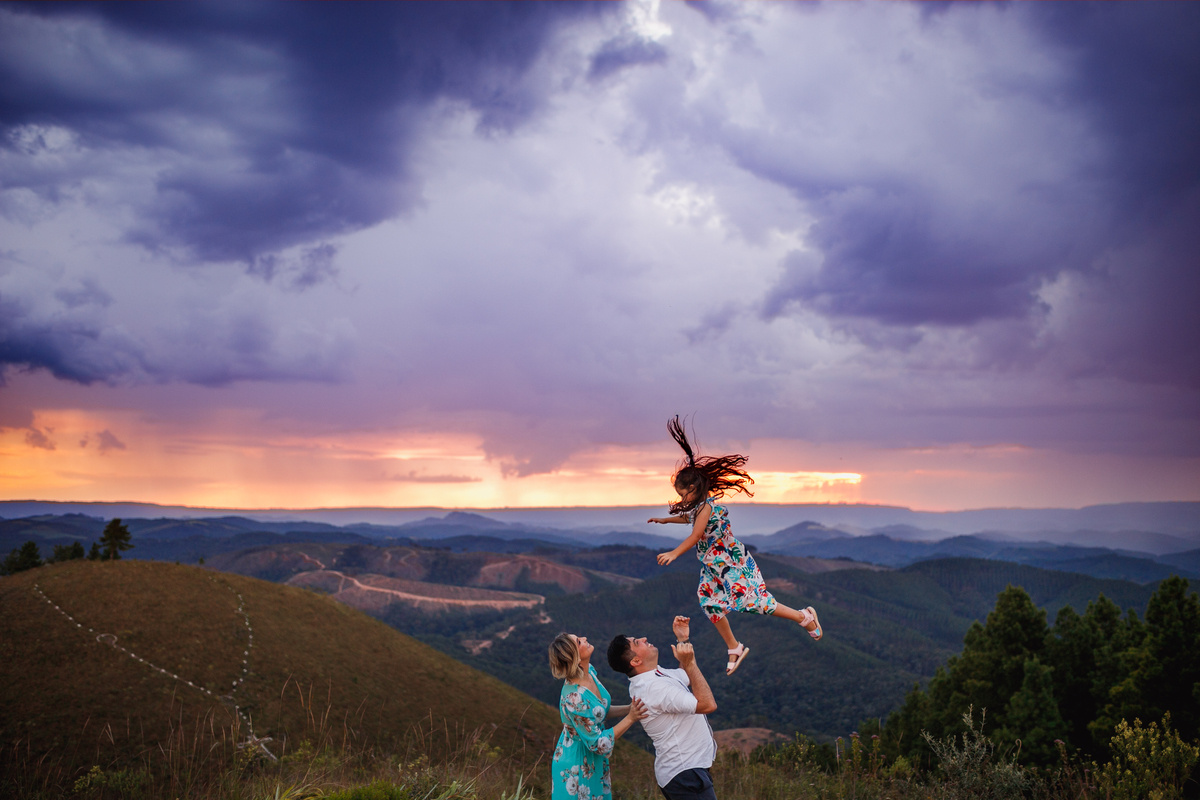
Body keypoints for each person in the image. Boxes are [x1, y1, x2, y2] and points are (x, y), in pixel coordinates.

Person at [649, 416, 822, 675]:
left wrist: (674, 552)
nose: (681, 498)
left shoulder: (707, 507)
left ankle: (803, 616)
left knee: (751, 601)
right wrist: (666, 520)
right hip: (713, 566)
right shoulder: (700, 507)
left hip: (730, 562)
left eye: (683, 493)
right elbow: (690, 518)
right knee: (709, 603)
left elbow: (696, 535)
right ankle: (734, 647)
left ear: (694, 488)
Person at [607, 616, 719, 800]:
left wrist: (683, 640)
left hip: (685, 771)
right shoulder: (653, 689)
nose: (643, 638)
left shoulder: (653, 675)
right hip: (685, 774)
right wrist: (690, 662)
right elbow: (707, 705)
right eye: (637, 642)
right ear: (635, 661)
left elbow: (686, 675)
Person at [549, 632, 647, 800]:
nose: (585, 638)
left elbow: (599, 712)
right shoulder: (575, 698)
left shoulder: (589, 672)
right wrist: (631, 718)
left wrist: (630, 709)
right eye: (579, 642)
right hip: (577, 766)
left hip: (593, 762)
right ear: (576, 659)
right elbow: (597, 744)